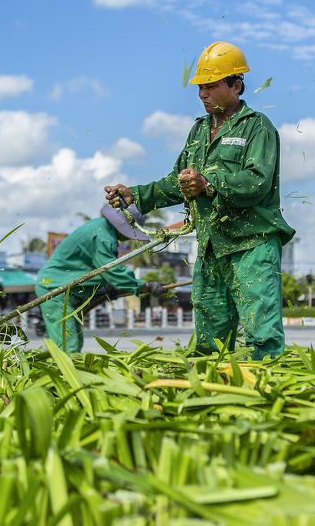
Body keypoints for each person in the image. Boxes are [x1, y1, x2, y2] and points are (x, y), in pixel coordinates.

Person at [105, 41, 295, 360]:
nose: (202, 94)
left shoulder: (257, 128)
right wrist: (135, 194)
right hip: (211, 248)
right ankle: (211, 399)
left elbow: (256, 182)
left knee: (262, 337)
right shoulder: (197, 132)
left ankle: (267, 395)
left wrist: (209, 183)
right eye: (200, 87)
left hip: (252, 246)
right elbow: (177, 182)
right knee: (209, 343)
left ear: (236, 86)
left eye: (211, 86)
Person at [36, 205, 165, 352]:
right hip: (54, 288)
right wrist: (144, 286)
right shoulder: (102, 236)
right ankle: (65, 373)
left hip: (67, 288)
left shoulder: (101, 229)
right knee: (68, 346)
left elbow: (96, 271)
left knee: (72, 342)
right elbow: (111, 270)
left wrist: (109, 289)